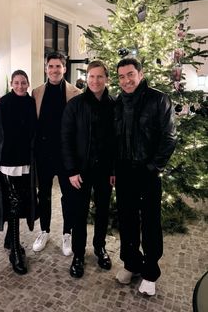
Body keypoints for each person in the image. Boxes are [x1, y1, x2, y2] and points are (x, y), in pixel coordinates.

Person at [114, 58, 177, 296]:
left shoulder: (158, 99)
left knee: (150, 223)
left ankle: (150, 272)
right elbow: (114, 139)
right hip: (123, 172)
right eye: (121, 76)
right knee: (127, 221)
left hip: (148, 172)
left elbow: (169, 137)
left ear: (140, 74)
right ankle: (132, 264)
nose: (126, 80)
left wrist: (153, 167)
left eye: (130, 74)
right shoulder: (118, 102)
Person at [61, 60, 115, 278]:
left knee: (102, 212)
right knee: (79, 214)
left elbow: (116, 142)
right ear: (87, 78)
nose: (95, 81)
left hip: (104, 171)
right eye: (91, 76)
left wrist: (113, 170)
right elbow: (65, 139)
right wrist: (71, 170)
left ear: (106, 79)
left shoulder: (114, 104)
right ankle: (78, 255)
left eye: (99, 76)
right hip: (80, 172)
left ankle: (100, 248)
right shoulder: (74, 105)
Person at [0, 70, 37, 275]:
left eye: (24, 82)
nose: (20, 86)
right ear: (11, 84)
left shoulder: (31, 103)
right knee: (14, 204)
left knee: (20, 202)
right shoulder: (2, 104)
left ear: (28, 83)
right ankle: (15, 250)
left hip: (26, 163)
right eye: (17, 82)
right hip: (7, 164)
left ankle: (9, 238)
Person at [32, 52, 82, 256]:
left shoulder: (76, 93)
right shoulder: (36, 92)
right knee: (43, 195)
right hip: (43, 155)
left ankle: (67, 233)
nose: (54, 70)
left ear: (64, 68)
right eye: (50, 66)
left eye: (58, 66)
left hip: (66, 155)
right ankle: (44, 231)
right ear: (46, 68)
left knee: (68, 196)